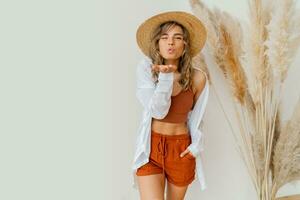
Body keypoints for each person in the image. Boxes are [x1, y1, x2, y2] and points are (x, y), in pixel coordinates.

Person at [131, 11, 209, 199]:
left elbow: (197, 118)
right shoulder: (146, 70)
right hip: (151, 149)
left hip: (181, 150)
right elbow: (158, 111)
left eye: (177, 37)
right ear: (157, 43)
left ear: (185, 45)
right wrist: (165, 77)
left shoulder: (198, 77)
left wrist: (194, 147)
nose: (170, 42)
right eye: (164, 37)